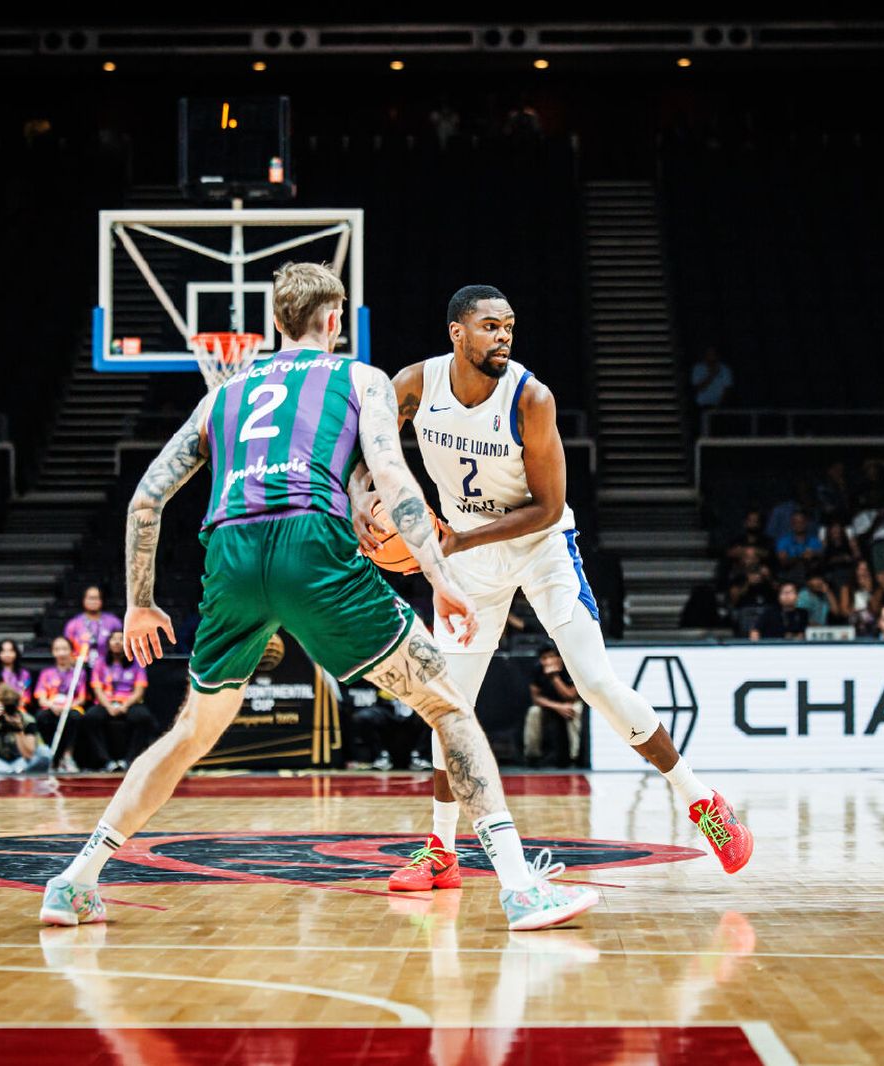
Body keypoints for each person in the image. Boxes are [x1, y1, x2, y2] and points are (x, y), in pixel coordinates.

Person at [40, 263, 597, 933]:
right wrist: (440, 576)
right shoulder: (360, 378)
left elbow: (147, 498)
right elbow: (392, 480)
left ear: (275, 324)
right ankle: (520, 889)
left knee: (191, 732)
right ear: (334, 321)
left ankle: (76, 880)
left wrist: (140, 602)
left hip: (231, 552)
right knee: (449, 706)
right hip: (312, 546)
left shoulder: (225, 393)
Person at [363, 283, 751, 895]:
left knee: (595, 683)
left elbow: (547, 508)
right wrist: (367, 499)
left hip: (539, 548)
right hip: (467, 557)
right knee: (447, 705)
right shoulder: (416, 383)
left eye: (509, 327)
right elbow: (370, 442)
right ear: (457, 333)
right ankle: (440, 850)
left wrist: (454, 543)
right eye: (490, 326)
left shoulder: (531, 397)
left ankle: (704, 803)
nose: (504, 337)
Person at [86, 630, 156, 771]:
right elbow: (97, 689)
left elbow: (139, 690)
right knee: (90, 717)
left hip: (129, 703)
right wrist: (109, 707)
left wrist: (125, 705)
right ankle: (106, 761)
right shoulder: (100, 663)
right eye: (114, 639)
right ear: (108, 643)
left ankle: (129, 760)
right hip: (106, 703)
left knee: (144, 717)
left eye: (121, 639)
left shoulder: (137, 662)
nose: (117, 642)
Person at [34, 635, 89, 773]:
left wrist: (67, 706)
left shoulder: (79, 673)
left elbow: (81, 699)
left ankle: (67, 756)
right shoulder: (46, 673)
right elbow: (41, 698)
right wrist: (52, 705)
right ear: (53, 652)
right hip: (52, 707)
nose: (61, 653)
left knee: (75, 717)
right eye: (57, 649)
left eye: (65, 649)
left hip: (71, 707)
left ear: (71, 651)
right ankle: (52, 757)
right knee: (42, 717)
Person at [0, 684, 51, 774]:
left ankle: (12, 771)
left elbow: (28, 756)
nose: (7, 710)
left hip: (21, 760)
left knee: (44, 752)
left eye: (9, 706)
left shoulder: (26, 720)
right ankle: (10, 771)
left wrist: (18, 730)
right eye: (4, 706)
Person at [523, 645, 583, 768]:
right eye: (544, 658)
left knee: (576, 710)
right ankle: (532, 755)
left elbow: (571, 696)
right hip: (550, 704)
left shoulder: (570, 667)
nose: (548, 661)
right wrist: (557, 707)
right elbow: (536, 698)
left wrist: (554, 677)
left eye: (551, 657)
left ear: (559, 658)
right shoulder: (537, 669)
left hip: (571, 702)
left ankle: (575, 756)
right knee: (533, 712)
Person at [65, 586, 122, 669]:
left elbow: (123, 644)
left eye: (96, 598)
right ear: (83, 600)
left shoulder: (113, 622)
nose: (93, 601)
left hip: (108, 667)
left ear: (101, 601)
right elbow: (67, 648)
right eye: (90, 598)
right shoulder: (73, 623)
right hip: (81, 666)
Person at [0, 639, 33, 714]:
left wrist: (14, 707)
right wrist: (0, 708)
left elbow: (25, 698)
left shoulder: (24, 674)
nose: (7, 654)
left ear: (16, 653)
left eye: (11, 651)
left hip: (17, 710)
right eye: (4, 651)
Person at [689, 346, 734, 411]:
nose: (711, 356)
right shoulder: (698, 368)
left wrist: (720, 405)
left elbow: (728, 389)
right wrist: (712, 375)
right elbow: (699, 388)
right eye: (709, 354)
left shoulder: (725, 369)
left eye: (713, 354)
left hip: (720, 406)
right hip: (702, 405)